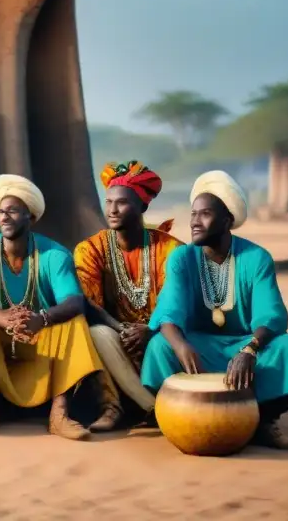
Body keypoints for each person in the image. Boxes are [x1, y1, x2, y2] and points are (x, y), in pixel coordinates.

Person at [141, 170, 288, 450]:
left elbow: (271, 315)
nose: (195, 222)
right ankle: (183, 417)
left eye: (205, 214)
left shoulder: (256, 258)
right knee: (161, 346)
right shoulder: (182, 258)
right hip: (200, 347)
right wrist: (181, 346)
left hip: (245, 347)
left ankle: (263, 421)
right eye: (193, 214)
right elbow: (169, 312)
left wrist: (250, 350)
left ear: (227, 219)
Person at [0, 175, 105, 441]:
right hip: (1, 344)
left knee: (75, 322)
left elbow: (74, 301)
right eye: (1, 211)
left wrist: (41, 319)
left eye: (12, 211)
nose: (5, 217)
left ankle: (60, 414)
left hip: (43, 344)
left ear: (30, 217)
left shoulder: (54, 255)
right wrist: (0, 317)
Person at [73, 161, 182, 431]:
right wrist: (122, 329)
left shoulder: (171, 249)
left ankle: (178, 404)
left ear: (142, 207)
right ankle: (123, 407)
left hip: (161, 333)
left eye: (121, 203)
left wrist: (151, 329)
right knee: (96, 333)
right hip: (117, 336)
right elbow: (90, 304)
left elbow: (179, 301)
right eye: (108, 202)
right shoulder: (91, 249)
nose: (112, 210)